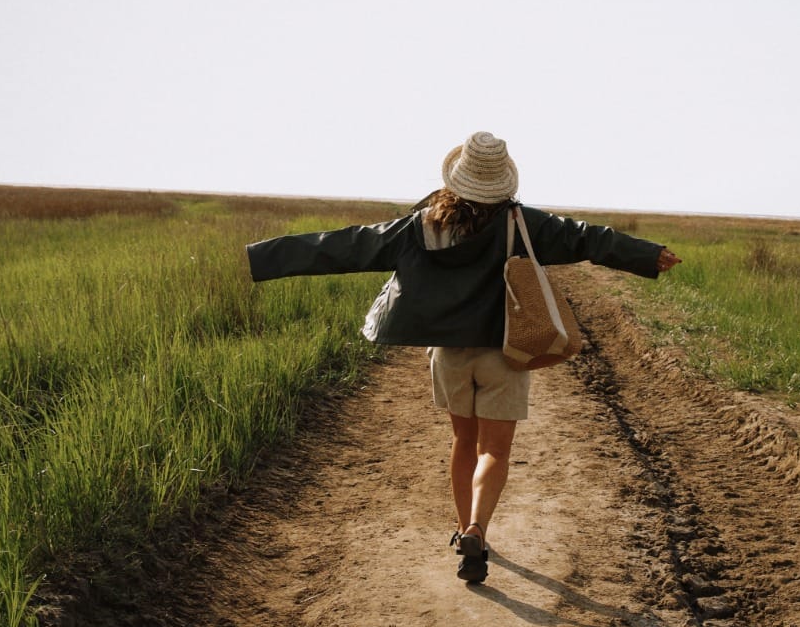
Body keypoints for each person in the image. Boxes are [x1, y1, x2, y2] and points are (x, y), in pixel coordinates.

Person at [246, 132, 680, 584]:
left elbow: (346, 244)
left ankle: (460, 529)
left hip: (450, 355)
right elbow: (589, 238)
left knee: (463, 442)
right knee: (494, 449)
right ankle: (477, 528)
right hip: (506, 355)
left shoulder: (421, 226)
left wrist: (263, 257)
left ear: (455, 180)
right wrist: (648, 256)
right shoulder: (525, 223)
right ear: (503, 182)